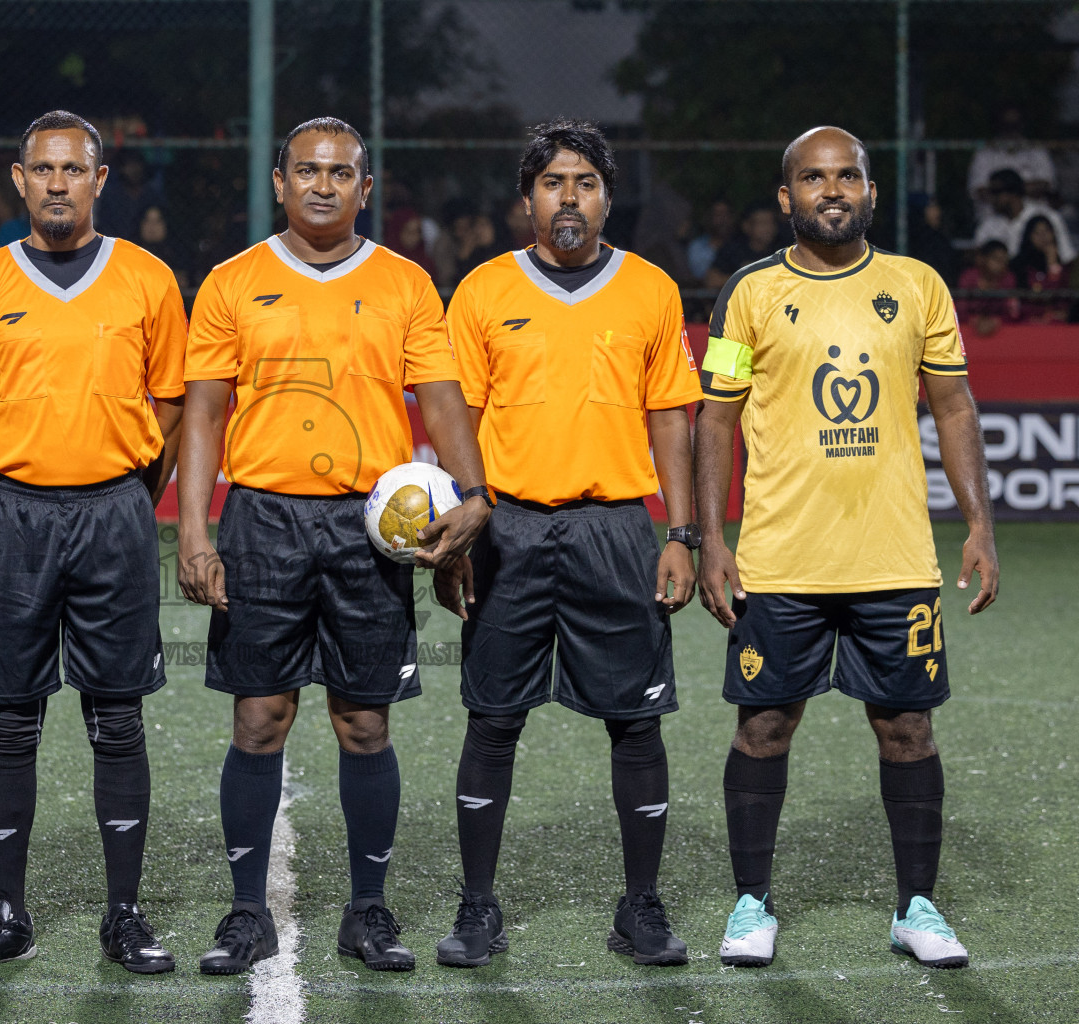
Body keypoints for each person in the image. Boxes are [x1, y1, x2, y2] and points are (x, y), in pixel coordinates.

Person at [176, 116, 491, 975]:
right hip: (263, 519)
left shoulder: (406, 284)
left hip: (370, 530)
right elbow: (203, 409)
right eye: (306, 171)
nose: (322, 184)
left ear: (366, 187)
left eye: (340, 172)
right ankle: (247, 914)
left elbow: (441, 399)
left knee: (363, 722)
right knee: (259, 717)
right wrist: (196, 526)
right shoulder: (233, 282)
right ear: (280, 183)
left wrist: (473, 496)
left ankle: (369, 910)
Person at [695, 126, 999, 971]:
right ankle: (751, 904)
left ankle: (917, 909)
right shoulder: (746, 293)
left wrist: (979, 524)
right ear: (785, 197)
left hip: (894, 560)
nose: (833, 190)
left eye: (848, 177)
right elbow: (714, 417)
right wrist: (710, 539)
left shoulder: (918, 285)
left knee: (908, 731)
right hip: (780, 562)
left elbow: (955, 408)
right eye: (813, 178)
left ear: (871, 191)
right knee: (762, 727)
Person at [435, 119, 702, 970]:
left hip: (618, 527)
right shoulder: (480, 290)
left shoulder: (652, 290)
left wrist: (682, 533)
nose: (569, 197)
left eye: (585, 182)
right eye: (553, 183)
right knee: (493, 717)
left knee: (636, 722)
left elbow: (672, 418)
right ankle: (478, 910)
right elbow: (461, 423)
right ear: (527, 200)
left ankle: (642, 909)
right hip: (505, 526)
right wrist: (459, 536)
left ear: (607, 197)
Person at [0, 109, 186, 975]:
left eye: (73, 169)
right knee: (10, 720)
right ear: (18, 178)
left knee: (117, 717)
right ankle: (8, 912)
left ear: (99, 179)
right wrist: (5, 493)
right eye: (42, 169)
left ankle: (124, 912)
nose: (57, 183)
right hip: (13, 520)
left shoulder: (149, 279)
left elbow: (172, 405)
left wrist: (124, 494)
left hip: (116, 514)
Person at [973, 169, 1075, 267]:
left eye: (995, 192)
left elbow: (1067, 257)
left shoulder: (1048, 216)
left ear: (1013, 193)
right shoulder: (988, 224)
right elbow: (978, 259)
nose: (991, 198)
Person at [967, 104, 1055, 212]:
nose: (1011, 130)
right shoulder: (985, 153)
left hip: (1034, 216)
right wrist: (1023, 190)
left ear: (1022, 125)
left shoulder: (1036, 150)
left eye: (1014, 125)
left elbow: (1045, 185)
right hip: (993, 217)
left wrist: (1004, 191)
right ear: (998, 125)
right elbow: (980, 190)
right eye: (1006, 125)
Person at [1010, 214, 1069, 324]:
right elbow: (1039, 297)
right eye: (1037, 233)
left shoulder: (1062, 266)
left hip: (1055, 324)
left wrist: (1053, 264)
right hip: (1026, 323)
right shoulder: (1018, 265)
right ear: (1029, 236)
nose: (1043, 237)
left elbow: (1061, 298)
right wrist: (1052, 266)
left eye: (1047, 231)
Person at [708, 203, 783, 287]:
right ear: (746, 226)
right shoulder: (732, 250)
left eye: (771, 223)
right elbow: (712, 281)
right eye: (762, 223)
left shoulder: (783, 250)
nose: (768, 228)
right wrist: (748, 275)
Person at [955, 240, 1018, 336]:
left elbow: (1013, 312)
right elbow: (959, 309)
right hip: (968, 332)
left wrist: (996, 321)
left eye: (1005, 261)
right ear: (982, 259)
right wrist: (974, 320)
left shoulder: (1008, 279)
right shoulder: (969, 277)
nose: (1001, 265)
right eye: (997, 260)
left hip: (1001, 333)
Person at [687, 199, 735, 283]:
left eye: (725, 214)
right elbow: (704, 278)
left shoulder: (741, 246)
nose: (722, 219)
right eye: (718, 215)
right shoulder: (697, 247)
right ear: (709, 217)